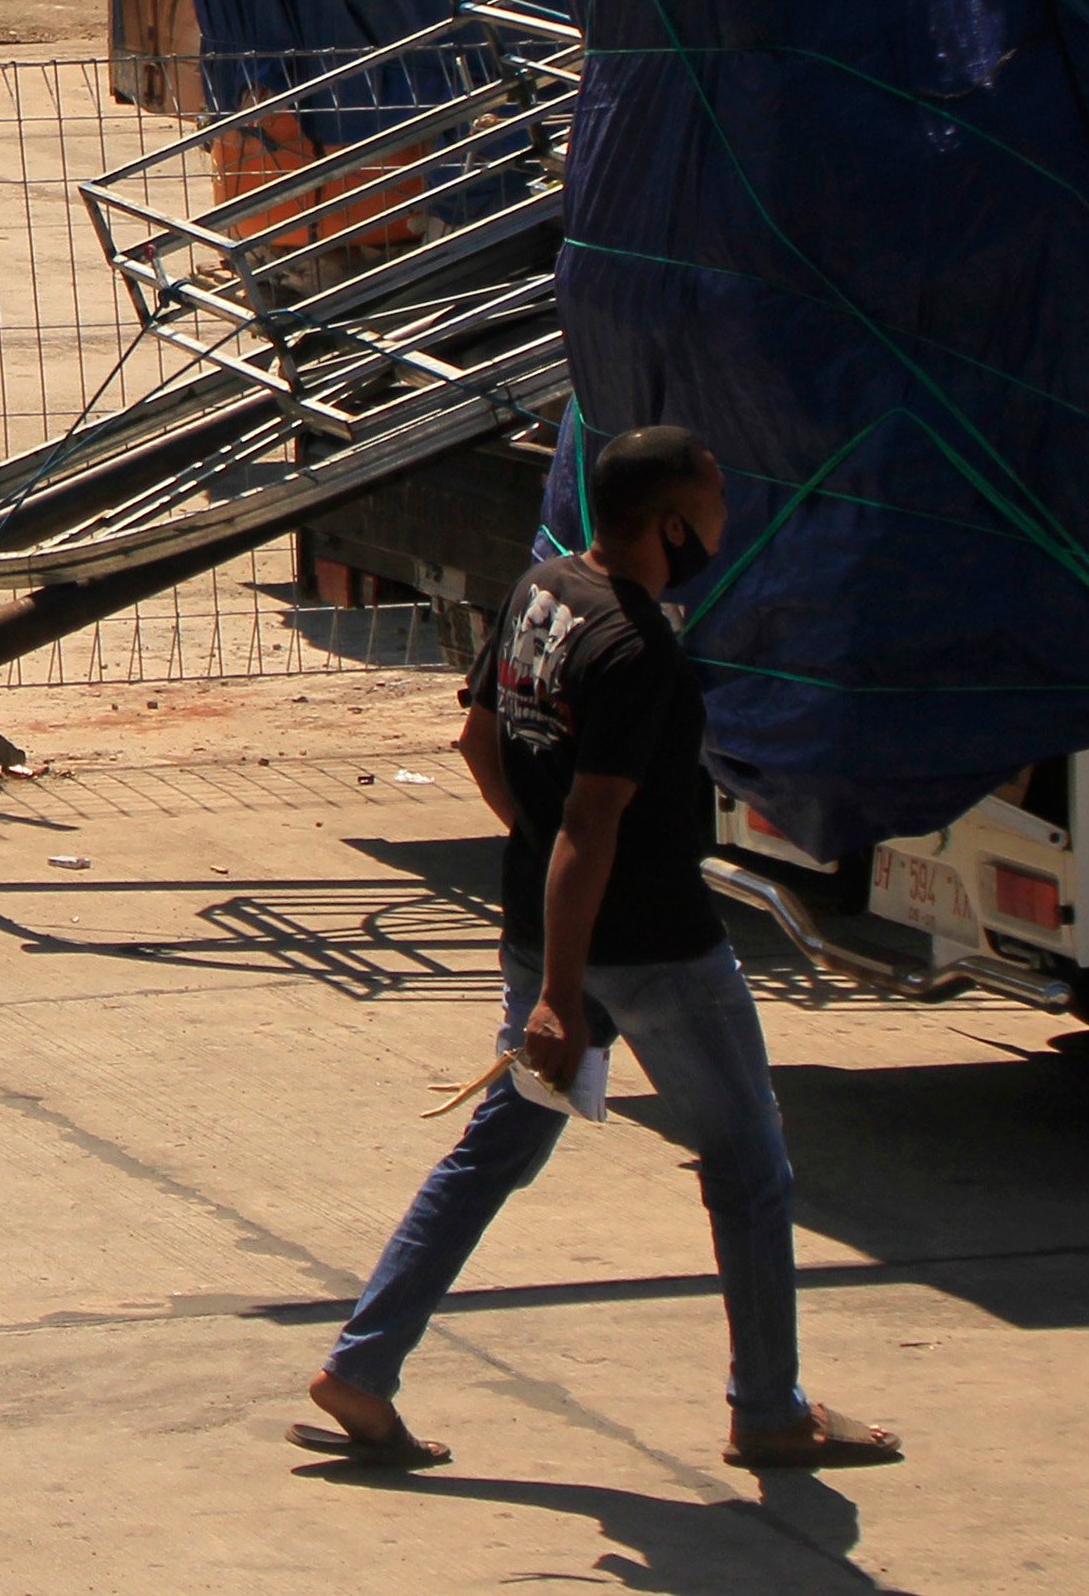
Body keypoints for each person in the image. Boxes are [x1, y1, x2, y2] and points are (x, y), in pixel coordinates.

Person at [295, 424, 903, 1474]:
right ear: (670, 522)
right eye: (714, 501)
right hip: (652, 951)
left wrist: (542, 915)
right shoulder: (636, 652)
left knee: (495, 1153)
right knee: (748, 1167)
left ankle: (362, 1366)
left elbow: (479, 743)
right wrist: (562, 1001)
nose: (723, 521)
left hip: (546, 932)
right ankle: (767, 1407)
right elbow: (591, 824)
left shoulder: (541, 594)